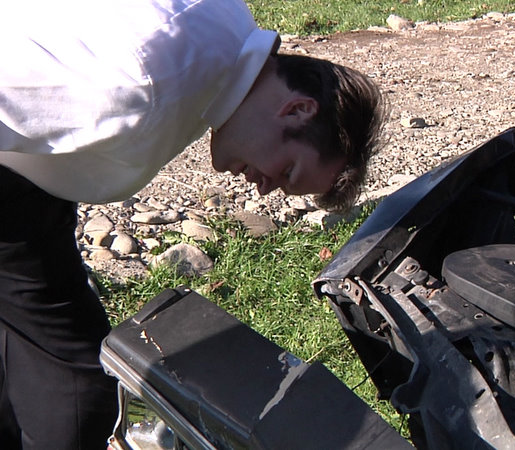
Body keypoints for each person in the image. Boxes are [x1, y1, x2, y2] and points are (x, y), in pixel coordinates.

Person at [0, 0, 384, 447]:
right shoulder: (138, 85)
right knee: (76, 395)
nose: (264, 189)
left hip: (28, 189)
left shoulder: (224, 26)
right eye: (286, 172)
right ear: (297, 109)